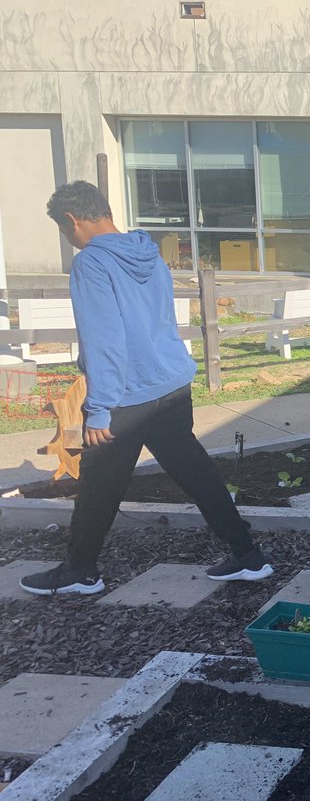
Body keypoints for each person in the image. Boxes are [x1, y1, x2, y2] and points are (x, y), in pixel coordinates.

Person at [21, 181, 274, 596]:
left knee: (98, 485)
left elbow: (105, 340)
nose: (69, 240)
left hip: (126, 396)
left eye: (65, 231)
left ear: (73, 220)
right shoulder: (147, 251)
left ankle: (80, 571)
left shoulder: (92, 264)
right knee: (196, 472)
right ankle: (248, 556)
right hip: (170, 384)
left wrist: (99, 408)